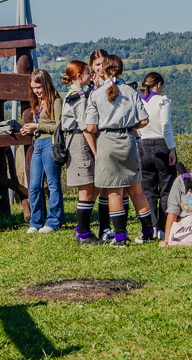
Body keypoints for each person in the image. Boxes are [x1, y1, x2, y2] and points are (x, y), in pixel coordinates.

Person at [85, 54, 156, 247]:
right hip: (128, 140)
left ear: (104, 70)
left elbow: (90, 127)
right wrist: (129, 127)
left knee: (114, 192)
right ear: (121, 69)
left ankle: (120, 238)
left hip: (107, 142)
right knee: (136, 190)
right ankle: (148, 231)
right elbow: (145, 120)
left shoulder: (96, 94)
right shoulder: (131, 91)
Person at [61, 61, 100, 244]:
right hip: (79, 141)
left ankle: (81, 227)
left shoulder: (79, 94)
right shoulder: (78, 96)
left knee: (93, 186)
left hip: (78, 140)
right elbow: (85, 127)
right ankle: (84, 234)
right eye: (87, 73)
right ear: (78, 76)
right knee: (85, 189)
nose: (90, 75)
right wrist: (96, 152)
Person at [20, 70, 64, 234]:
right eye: (33, 88)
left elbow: (60, 127)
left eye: (38, 87)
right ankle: (36, 221)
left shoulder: (56, 101)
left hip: (50, 143)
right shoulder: (38, 102)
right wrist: (29, 130)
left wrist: (37, 126)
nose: (36, 91)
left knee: (53, 184)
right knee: (34, 185)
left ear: (45, 84)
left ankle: (54, 220)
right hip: (37, 143)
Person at [138, 72, 177, 238]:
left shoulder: (138, 101)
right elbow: (165, 126)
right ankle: (164, 227)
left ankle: (151, 226)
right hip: (161, 145)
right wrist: (172, 149)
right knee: (166, 190)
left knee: (148, 190)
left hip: (143, 145)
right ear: (159, 84)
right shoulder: (162, 101)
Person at [89, 48, 114, 240]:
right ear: (91, 67)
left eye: (103, 64)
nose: (100, 68)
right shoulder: (87, 88)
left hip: (110, 140)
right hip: (92, 142)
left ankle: (107, 226)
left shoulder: (113, 85)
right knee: (93, 188)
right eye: (97, 64)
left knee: (110, 186)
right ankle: (86, 225)